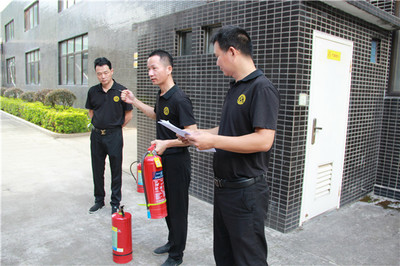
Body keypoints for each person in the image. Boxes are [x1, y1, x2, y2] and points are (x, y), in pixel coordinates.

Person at [182, 26, 280, 265]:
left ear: (233, 52)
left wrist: (213, 140)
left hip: (246, 193)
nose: (217, 62)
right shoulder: (236, 87)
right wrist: (199, 135)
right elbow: (227, 131)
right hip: (225, 190)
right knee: (224, 256)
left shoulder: (261, 88)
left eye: (218, 56)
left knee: (248, 259)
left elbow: (264, 140)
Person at [121, 50, 196, 266]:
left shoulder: (180, 99)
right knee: (165, 205)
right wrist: (134, 101)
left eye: (154, 68)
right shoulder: (163, 95)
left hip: (177, 162)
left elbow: (192, 135)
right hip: (161, 161)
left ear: (168, 69)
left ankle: (177, 255)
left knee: (177, 210)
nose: (150, 73)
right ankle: (173, 242)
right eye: (148, 69)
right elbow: (157, 114)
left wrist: (166, 144)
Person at [85, 57, 133, 215]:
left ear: (111, 71)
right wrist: (98, 124)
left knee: (116, 169)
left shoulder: (121, 91)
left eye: (105, 72)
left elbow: (129, 114)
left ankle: (115, 202)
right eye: (99, 74)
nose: (103, 76)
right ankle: (99, 200)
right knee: (97, 168)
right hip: (97, 136)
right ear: (96, 74)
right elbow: (90, 112)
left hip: (114, 135)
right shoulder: (93, 91)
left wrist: (116, 127)